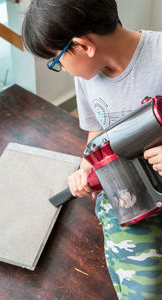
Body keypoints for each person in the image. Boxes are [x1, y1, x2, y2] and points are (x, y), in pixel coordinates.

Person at [22, 0, 162, 298]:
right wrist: (86, 166)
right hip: (131, 194)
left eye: (56, 60)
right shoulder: (87, 76)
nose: (60, 68)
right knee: (144, 291)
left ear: (84, 46)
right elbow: (96, 133)